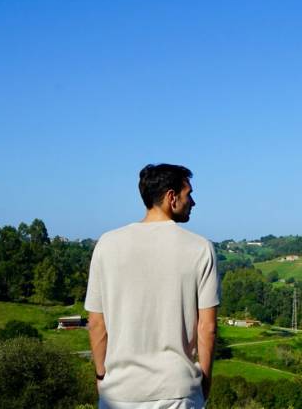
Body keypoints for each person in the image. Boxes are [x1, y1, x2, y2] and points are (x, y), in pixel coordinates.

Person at [85, 164, 219, 409]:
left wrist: (102, 376)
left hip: (119, 394)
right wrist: (205, 384)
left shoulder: (107, 244)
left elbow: (96, 323)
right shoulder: (200, 248)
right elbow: (207, 327)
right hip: (177, 392)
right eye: (189, 194)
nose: (193, 202)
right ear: (171, 197)